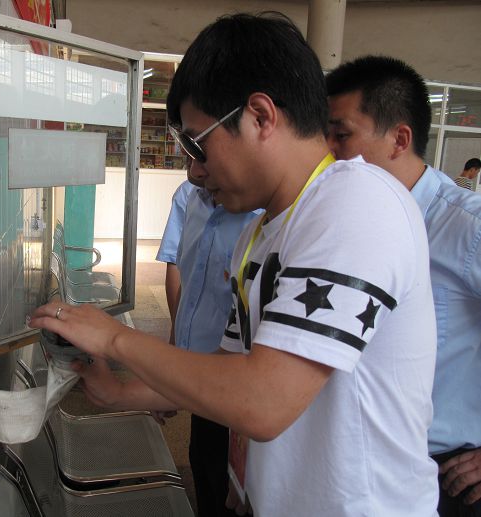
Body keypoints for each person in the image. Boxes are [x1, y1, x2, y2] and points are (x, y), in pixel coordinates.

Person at [31, 13, 438, 516]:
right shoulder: (262, 230)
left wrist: (115, 338)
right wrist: (120, 392)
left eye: (197, 144)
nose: (195, 172)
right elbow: (228, 371)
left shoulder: (356, 204)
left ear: (261, 116)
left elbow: (263, 401)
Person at [326, 55, 481, 517]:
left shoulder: (465, 227)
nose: (328, 151)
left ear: (399, 139)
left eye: (341, 135)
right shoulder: (346, 220)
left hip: (445, 472)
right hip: (358, 464)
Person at [158, 156, 259, 516]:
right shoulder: (192, 196)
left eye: (205, 155)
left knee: (230, 490)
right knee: (204, 472)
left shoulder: (271, 222)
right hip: (201, 383)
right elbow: (183, 276)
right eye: (189, 154)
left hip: (242, 396)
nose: (194, 172)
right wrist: (175, 362)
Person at [156, 178, 195, 344]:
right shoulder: (189, 192)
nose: (195, 172)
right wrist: (177, 331)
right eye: (189, 165)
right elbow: (174, 262)